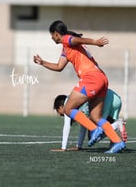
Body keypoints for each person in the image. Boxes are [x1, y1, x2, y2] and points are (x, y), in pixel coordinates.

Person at [33, 20, 126, 153]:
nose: (51, 37)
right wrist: (42, 62)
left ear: (56, 34)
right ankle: (117, 142)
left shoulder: (66, 39)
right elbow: (59, 67)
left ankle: (95, 130)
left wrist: (96, 42)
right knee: (95, 117)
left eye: (52, 35)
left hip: (91, 78)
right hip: (101, 78)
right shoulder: (66, 48)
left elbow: (78, 40)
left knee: (68, 108)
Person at [52, 89, 128, 151]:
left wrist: (63, 147)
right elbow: (83, 126)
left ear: (61, 107)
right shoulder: (75, 101)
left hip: (106, 98)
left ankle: (117, 125)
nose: (59, 114)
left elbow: (67, 126)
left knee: (95, 135)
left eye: (57, 110)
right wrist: (79, 146)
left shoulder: (67, 105)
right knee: (105, 125)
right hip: (115, 98)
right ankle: (114, 142)